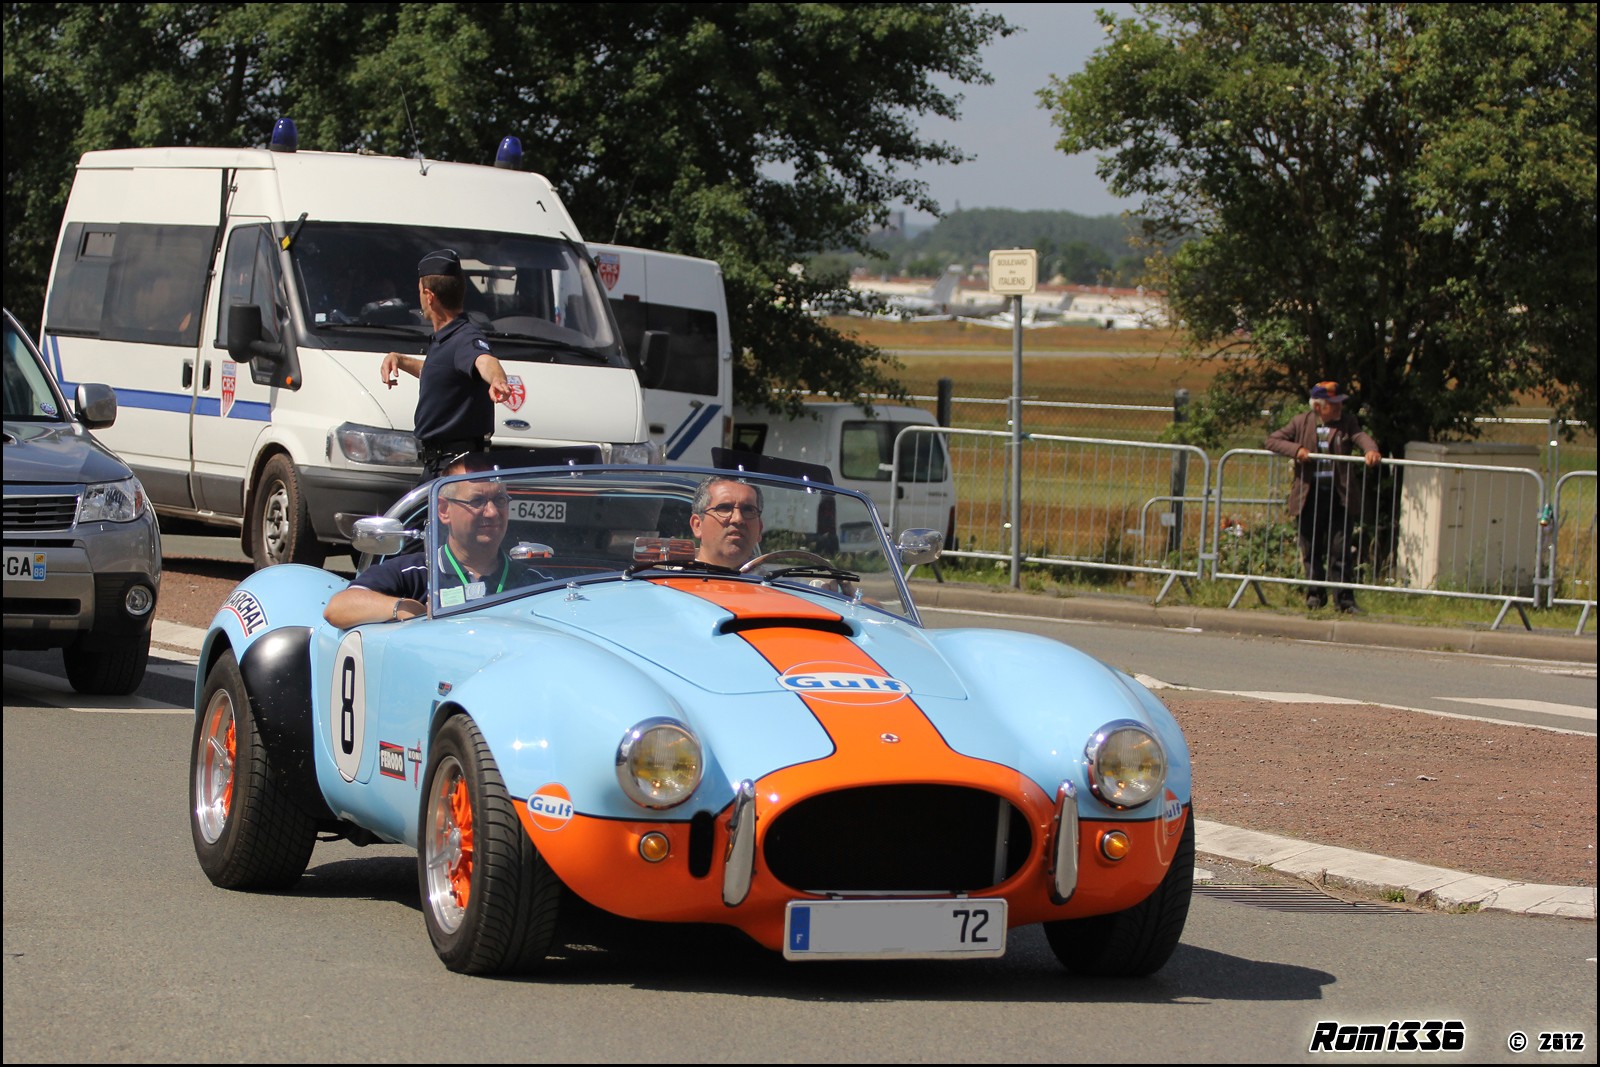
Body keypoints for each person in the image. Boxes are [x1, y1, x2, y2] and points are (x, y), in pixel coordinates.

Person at [323, 455, 547, 627]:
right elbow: (338, 608)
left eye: (499, 500)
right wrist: (405, 608)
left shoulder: (532, 582)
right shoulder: (416, 573)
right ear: (443, 510)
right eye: (477, 501)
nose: (491, 512)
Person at [379, 249, 512, 480]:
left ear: (429, 296)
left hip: (457, 470)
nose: (419, 296)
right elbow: (440, 374)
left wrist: (498, 380)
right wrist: (399, 359)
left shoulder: (464, 338)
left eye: (420, 291)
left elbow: (484, 360)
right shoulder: (446, 339)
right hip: (438, 466)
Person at [1264, 380, 1382, 612]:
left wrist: (1371, 450)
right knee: (1311, 547)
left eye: (1339, 403)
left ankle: (1344, 601)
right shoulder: (1301, 422)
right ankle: (1315, 596)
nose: (1338, 407)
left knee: (1340, 549)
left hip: (1339, 496)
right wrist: (1296, 450)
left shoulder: (1347, 422)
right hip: (1310, 495)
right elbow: (1272, 440)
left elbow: (1361, 437)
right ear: (1318, 406)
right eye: (1332, 404)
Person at [688, 476, 764, 570]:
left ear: (760, 529)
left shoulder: (772, 583)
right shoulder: (672, 581)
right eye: (724, 508)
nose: (738, 519)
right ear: (697, 525)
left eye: (748, 510)